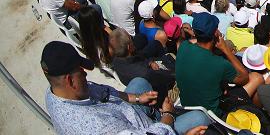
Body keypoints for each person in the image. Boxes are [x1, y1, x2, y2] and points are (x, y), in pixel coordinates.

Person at [42, 41, 207, 135]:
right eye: (80, 72)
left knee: (139, 83)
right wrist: (168, 115)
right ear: (70, 81)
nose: (85, 75)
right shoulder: (98, 127)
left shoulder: (54, 93)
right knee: (201, 119)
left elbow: (104, 92)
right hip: (144, 130)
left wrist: (136, 98)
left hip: (125, 116)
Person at [175, 12, 250, 118]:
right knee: (256, 78)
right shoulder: (220, 64)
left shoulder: (183, 47)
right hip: (212, 115)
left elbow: (192, 42)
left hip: (185, 108)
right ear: (215, 33)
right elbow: (244, 78)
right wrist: (226, 50)